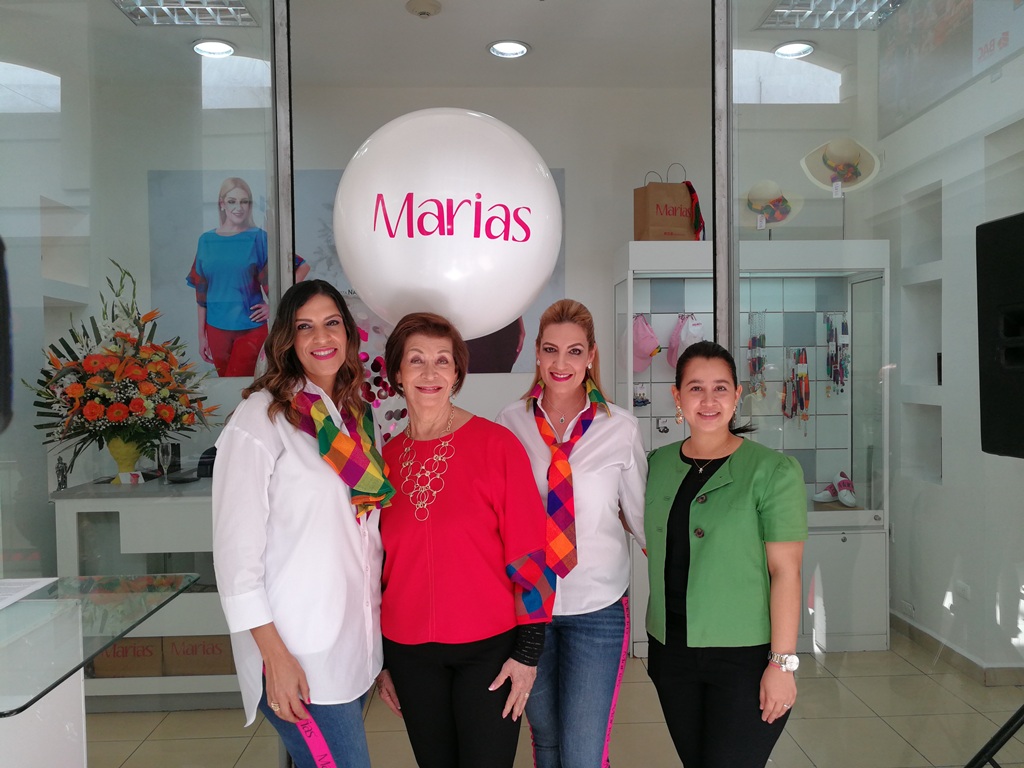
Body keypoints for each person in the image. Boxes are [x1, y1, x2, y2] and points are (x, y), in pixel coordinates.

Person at [212, 280, 393, 768]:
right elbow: (234, 558)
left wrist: (379, 651)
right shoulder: (260, 419)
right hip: (298, 653)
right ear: (287, 341)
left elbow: (365, 541)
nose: (321, 337)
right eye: (304, 327)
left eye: (331, 323)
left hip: (352, 648)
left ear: (349, 333)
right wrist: (275, 658)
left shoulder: (356, 418)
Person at [374, 312, 552, 768]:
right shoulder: (383, 461)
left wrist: (528, 653)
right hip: (409, 653)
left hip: (489, 652)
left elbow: (531, 554)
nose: (429, 372)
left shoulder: (497, 446)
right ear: (398, 373)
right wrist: (382, 661)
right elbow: (374, 567)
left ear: (456, 373)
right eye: (416, 360)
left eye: (442, 360)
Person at [495, 299, 647, 768]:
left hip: (597, 608)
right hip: (529, 609)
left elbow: (641, 517)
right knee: (546, 739)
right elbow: (499, 517)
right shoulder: (509, 423)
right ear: (537, 354)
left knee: (583, 753)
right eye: (551, 350)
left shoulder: (621, 428)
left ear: (591, 356)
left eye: (575, 351)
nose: (561, 363)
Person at [644, 340, 807, 768]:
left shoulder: (772, 471)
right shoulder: (655, 465)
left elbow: (786, 571)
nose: (709, 400)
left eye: (720, 388)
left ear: (737, 395)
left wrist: (782, 664)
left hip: (745, 657)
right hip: (671, 653)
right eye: (695, 388)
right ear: (677, 397)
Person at [187, 177, 307, 378]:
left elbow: (302, 267)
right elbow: (201, 295)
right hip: (215, 330)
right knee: (226, 384)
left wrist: (275, 304)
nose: (238, 207)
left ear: (250, 206)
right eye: (232, 201)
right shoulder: (206, 240)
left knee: (241, 385)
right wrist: (201, 336)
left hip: (250, 330)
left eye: (244, 201)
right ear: (222, 204)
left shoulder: (258, 238)